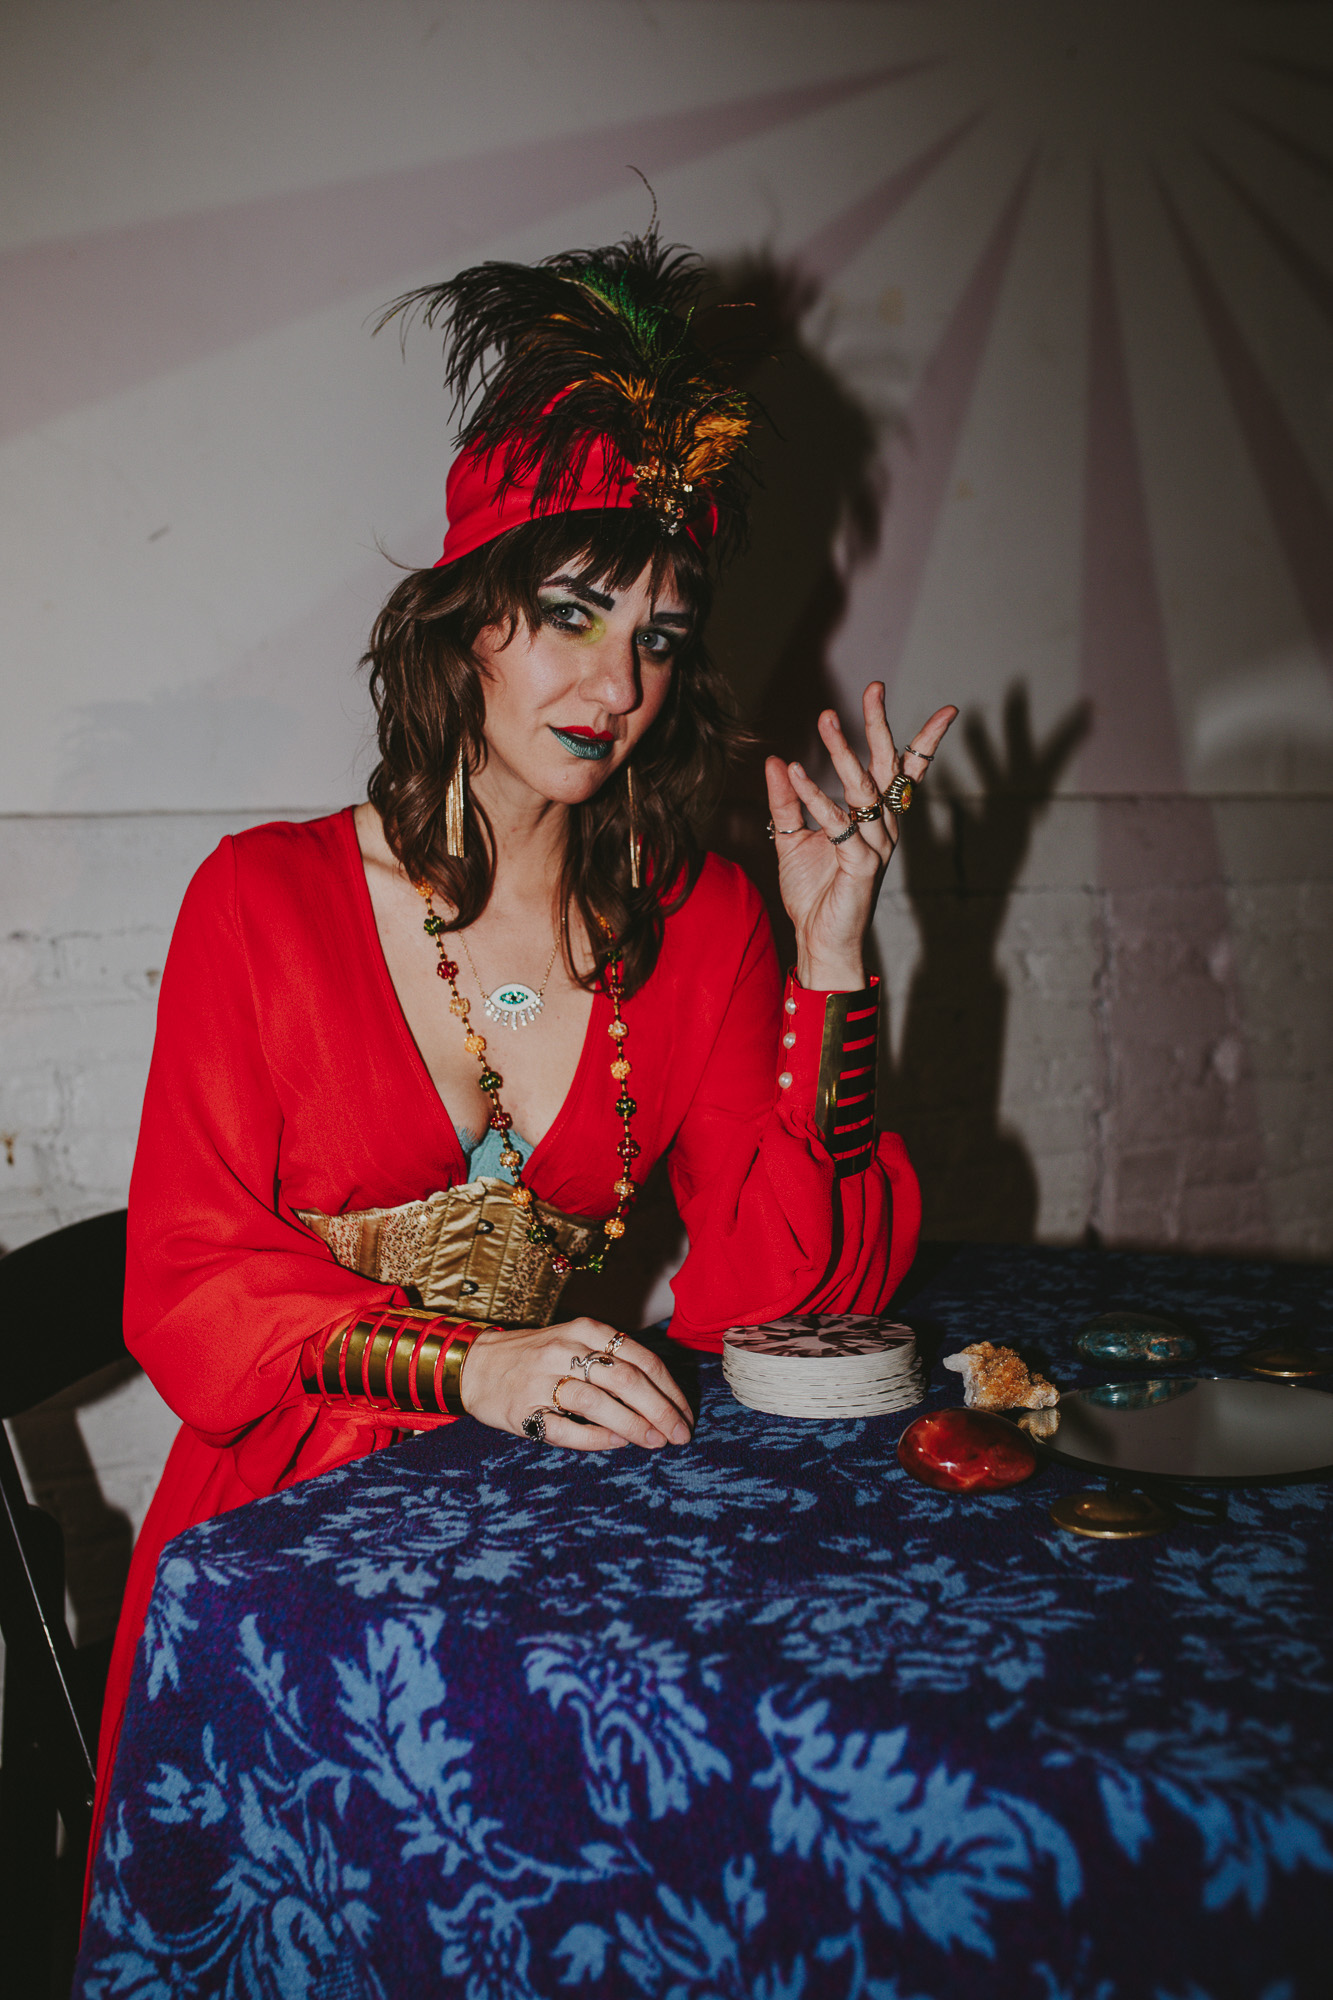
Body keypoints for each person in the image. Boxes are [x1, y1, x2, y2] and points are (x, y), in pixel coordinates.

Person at [87, 226, 956, 1884]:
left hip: (544, 1541)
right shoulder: (260, 901)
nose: (615, 681)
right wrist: (472, 1367)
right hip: (282, 1551)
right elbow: (187, 1288)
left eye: (660, 636)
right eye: (570, 613)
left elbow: (776, 1293)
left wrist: (832, 964)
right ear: (465, 617)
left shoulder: (700, 920)